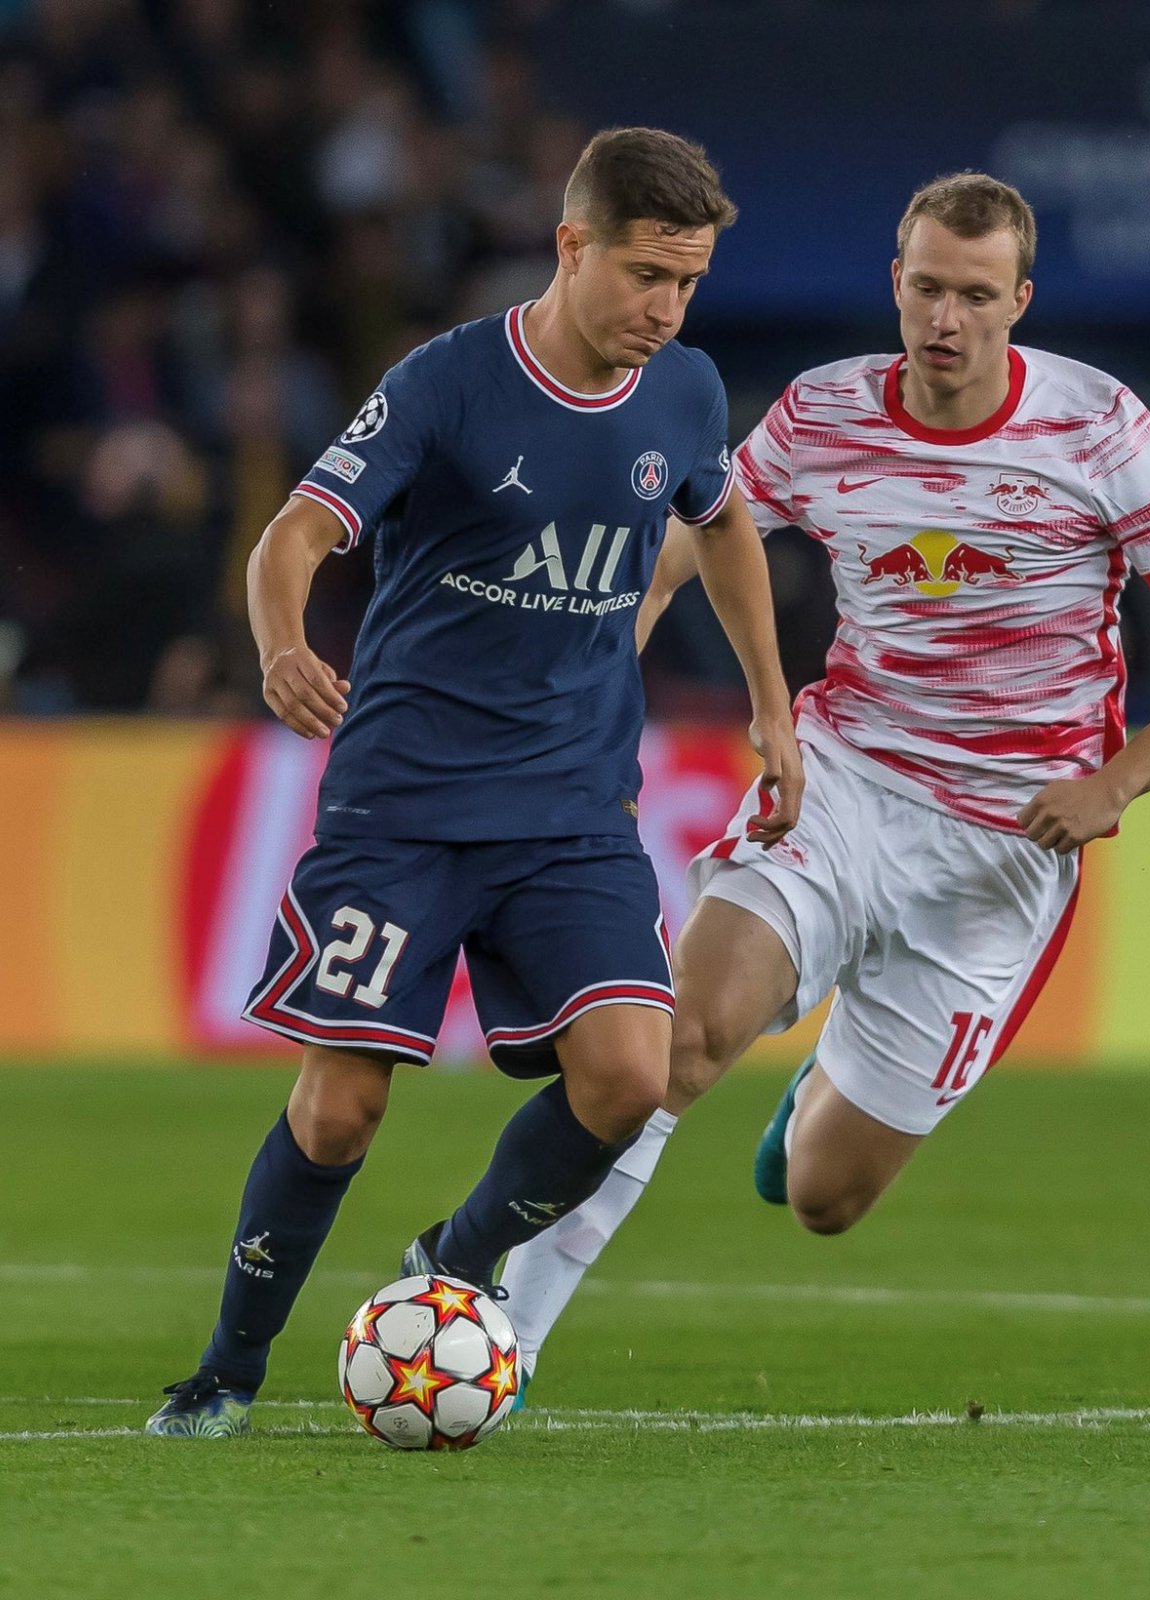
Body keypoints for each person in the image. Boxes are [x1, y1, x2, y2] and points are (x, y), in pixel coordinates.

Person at [497, 172, 1150, 1391]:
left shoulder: (1099, 429)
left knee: (825, 1197)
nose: (944, 318)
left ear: (1018, 302)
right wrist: (602, 699)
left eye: (974, 294)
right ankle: (500, 1323)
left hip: (1005, 850)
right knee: (681, 1042)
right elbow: (684, 547)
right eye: (925, 288)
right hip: (844, 783)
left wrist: (1116, 786)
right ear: (895, 284)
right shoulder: (822, 413)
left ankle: (820, 1088)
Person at [146, 127, 803, 1438]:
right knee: (342, 1109)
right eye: (646, 274)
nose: (668, 309)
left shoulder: (681, 391)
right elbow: (296, 533)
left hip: (572, 810)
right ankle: (226, 1368)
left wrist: (771, 707)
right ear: (571, 246)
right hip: (404, 805)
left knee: (632, 1073)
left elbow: (722, 519)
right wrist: (282, 647)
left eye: (688, 282)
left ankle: (453, 1260)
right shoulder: (447, 382)